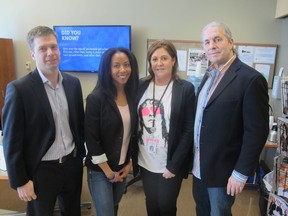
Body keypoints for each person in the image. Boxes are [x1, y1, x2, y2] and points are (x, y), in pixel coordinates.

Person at [2, 26, 85, 216]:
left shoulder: (73, 83)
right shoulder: (19, 89)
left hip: (72, 166)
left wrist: (80, 157)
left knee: (73, 212)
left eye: (54, 47)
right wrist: (20, 181)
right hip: (42, 171)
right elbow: (11, 141)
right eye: (43, 49)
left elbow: (79, 124)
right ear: (32, 54)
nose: (50, 53)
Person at [192, 21, 269, 216]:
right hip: (199, 168)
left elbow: (257, 132)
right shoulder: (208, 75)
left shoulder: (250, 79)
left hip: (224, 172)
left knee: (219, 213)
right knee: (202, 210)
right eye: (207, 42)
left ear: (231, 42)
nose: (212, 45)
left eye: (218, 39)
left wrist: (241, 173)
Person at [133, 40, 195, 216]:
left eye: (164, 58)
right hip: (145, 158)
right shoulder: (140, 85)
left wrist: (174, 165)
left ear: (173, 60)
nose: (159, 63)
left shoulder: (185, 89)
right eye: (154, 59)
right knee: (151, 204)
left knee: (166, 206)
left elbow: (188, 129)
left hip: (169, 161)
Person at [85, 47, 139, 216]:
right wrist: (108, 172)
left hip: (122, 166)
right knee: (106, 213)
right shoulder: (96, 98)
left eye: (126, 64)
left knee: (113, 208)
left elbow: (132, 134)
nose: (122, 70)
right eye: (116, 65)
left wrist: (129, 163)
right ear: (107, 69)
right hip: (101, 170)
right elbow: (92, 139)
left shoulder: (133, 96)